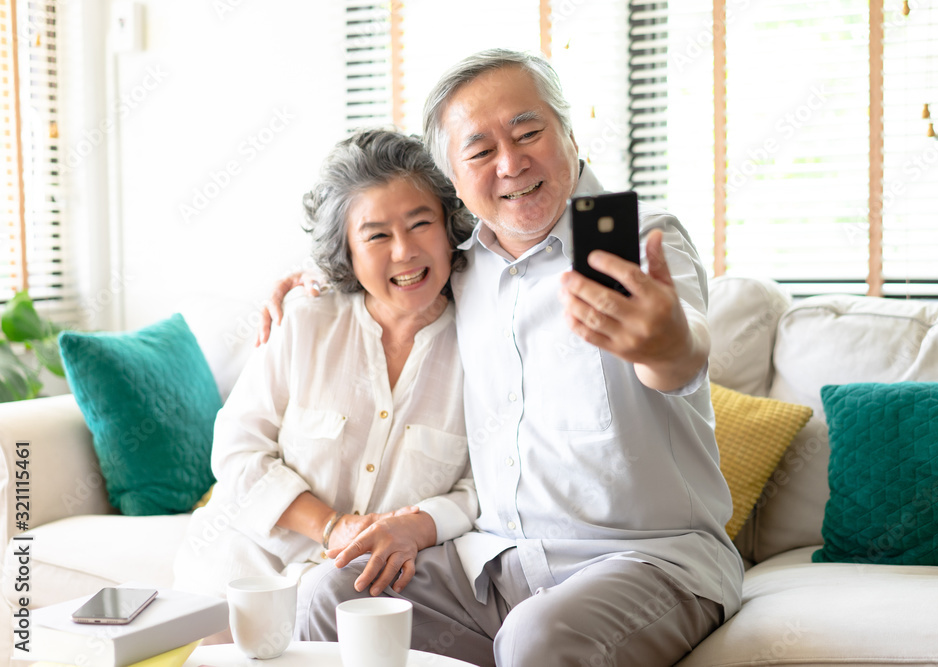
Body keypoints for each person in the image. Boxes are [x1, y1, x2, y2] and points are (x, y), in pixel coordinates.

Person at [270, 50, 743, 667]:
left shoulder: (629, 237)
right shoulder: (463, 264)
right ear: (456, 180)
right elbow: (387, 252)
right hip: (498, 563)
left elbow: (683, 356)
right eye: (480, 152)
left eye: (528, 133)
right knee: (334, 595)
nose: (511, 163)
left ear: (569, 136)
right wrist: (309, 282)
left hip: (651, 559)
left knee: (538, 638)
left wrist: (667, 345)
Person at [173, 129, 478, 606]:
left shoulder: (482, 345)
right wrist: (331, 526)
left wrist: (418, 525)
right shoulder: (305, 319)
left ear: (449, 225)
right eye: (376, 234)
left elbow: (484, 486)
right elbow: (237, 450)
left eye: (420, 224)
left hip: (361, 591)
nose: (404, 251)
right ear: (347, 252)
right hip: (238, 569)